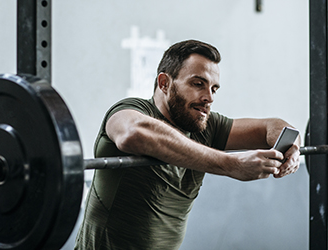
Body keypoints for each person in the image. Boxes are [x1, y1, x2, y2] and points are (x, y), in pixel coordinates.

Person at [74, 39, 300, 250]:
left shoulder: (205, 126)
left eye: (213, 89)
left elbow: (272, 126)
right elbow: (132, 133)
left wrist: (294, 147)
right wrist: (231, 164)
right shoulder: (132, 109)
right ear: (164, 83)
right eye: (198, 84)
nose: (208, 97)